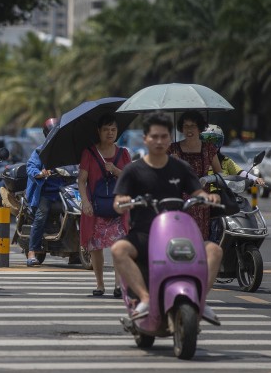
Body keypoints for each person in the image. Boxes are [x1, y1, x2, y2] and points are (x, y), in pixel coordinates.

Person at [111, 113, 222, 323]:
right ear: (145, 138)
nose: (159, 141)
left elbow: (197, 192)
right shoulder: (133, 170)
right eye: (154, 136)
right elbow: (118, 200)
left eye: (164, 136)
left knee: (214, 250)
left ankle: (200, 300)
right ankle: (144, 298)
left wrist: (207, 197)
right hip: (144, 234)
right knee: (119, 250)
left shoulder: (180, 168)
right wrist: (122, 201)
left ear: (170, 138)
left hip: (176, 232)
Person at [78, 114, 131, 296]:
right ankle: (100, 284)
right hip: (96, 208)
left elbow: (130, 178)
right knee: (96, 247)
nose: (110, 133)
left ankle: (118, 285)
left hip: (119, 208)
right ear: (98, 132)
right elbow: (81, 180)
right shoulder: (89, 153)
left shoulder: (123, 153)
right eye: (106, 129)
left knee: (119, 246)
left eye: (113, 129)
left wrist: (115, 170)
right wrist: (85, 202)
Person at [201, 124, 265, 242]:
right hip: (207, 197)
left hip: (225, 195)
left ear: (220, 143)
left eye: (215, 141)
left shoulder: (226, 160)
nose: (211, 145)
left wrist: (255, 179)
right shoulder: (199, 160)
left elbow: (240, 172)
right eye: (207, 141)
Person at [168, 111, 223, 240]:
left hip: (201, 200)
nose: (189, 129)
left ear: (200, 128)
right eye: (186, 126)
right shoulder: (172, 149)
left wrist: (208, 179)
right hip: (179, 200)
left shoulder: (209, 148)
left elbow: (219, 173)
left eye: (193, 126)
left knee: (199, 240)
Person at [25, 118, 66, 267]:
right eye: (52, 133)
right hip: (46, 193)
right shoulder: (39, 151)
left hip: (65, 192)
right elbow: (30, 167)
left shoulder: (67, 151)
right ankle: (32, 251)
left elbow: (77, 167)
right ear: (47, 134)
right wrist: (40, 173)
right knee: (41, 217)